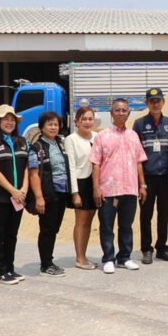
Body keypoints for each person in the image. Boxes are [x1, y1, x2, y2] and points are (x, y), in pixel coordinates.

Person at [90, 98, 148, 274]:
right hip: (108, 190)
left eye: (124, 110)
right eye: (117, 110)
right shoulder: (102, 136)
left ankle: (124, 258)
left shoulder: (133, 135)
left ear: (129, 113)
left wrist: (142, 185)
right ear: (111, 113)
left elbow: (139, 162)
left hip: (130, 189)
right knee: (107, 226)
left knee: (126, 226)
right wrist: (96, 188)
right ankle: (108, 258)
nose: (121, 113)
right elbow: (95, 164)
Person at [0, 104, 29, 285]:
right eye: (5, 119)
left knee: (12, 234)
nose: (9, 122)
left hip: (19, 197)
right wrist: (13, 191)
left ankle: (9, 268)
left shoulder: (22, 141)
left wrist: (23, 189)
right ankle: (0, 272)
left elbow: (27, 167)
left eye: (12, 120)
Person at [132, 88, 168, 264]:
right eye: (152, 101)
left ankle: (162, 248)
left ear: (163, 102)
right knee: (146, 215)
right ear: (147, 103)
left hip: (165, 177)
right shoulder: (139, 124)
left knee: (164, 214)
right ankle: (146, 249)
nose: (155, 104)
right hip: (147, 177)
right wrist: (141, 183)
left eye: (158, 101)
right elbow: (136, 155)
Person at [28, 111, 71, 277]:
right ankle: (46, 265)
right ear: (42, 127)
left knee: (54, 228)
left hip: (61, 193)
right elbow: (33, 175)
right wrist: (39, 198)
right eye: (50, 124)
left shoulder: (60, 143)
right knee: (47, 229)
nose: (53, 127)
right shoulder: (37, 148)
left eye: (56, 124)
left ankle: (49, 261)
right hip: (47, 194)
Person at [64, 106, 98, 270]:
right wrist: (75, 192)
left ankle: (84, 255)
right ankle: (79, 258)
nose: (87, 122)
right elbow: (70, 166)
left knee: (89, 220)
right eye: (83, 119)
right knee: (81, 222)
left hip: (95, 182)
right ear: (76, 121)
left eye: (90, 119)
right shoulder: (71, 139)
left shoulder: (97, 137)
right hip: (80, 182)